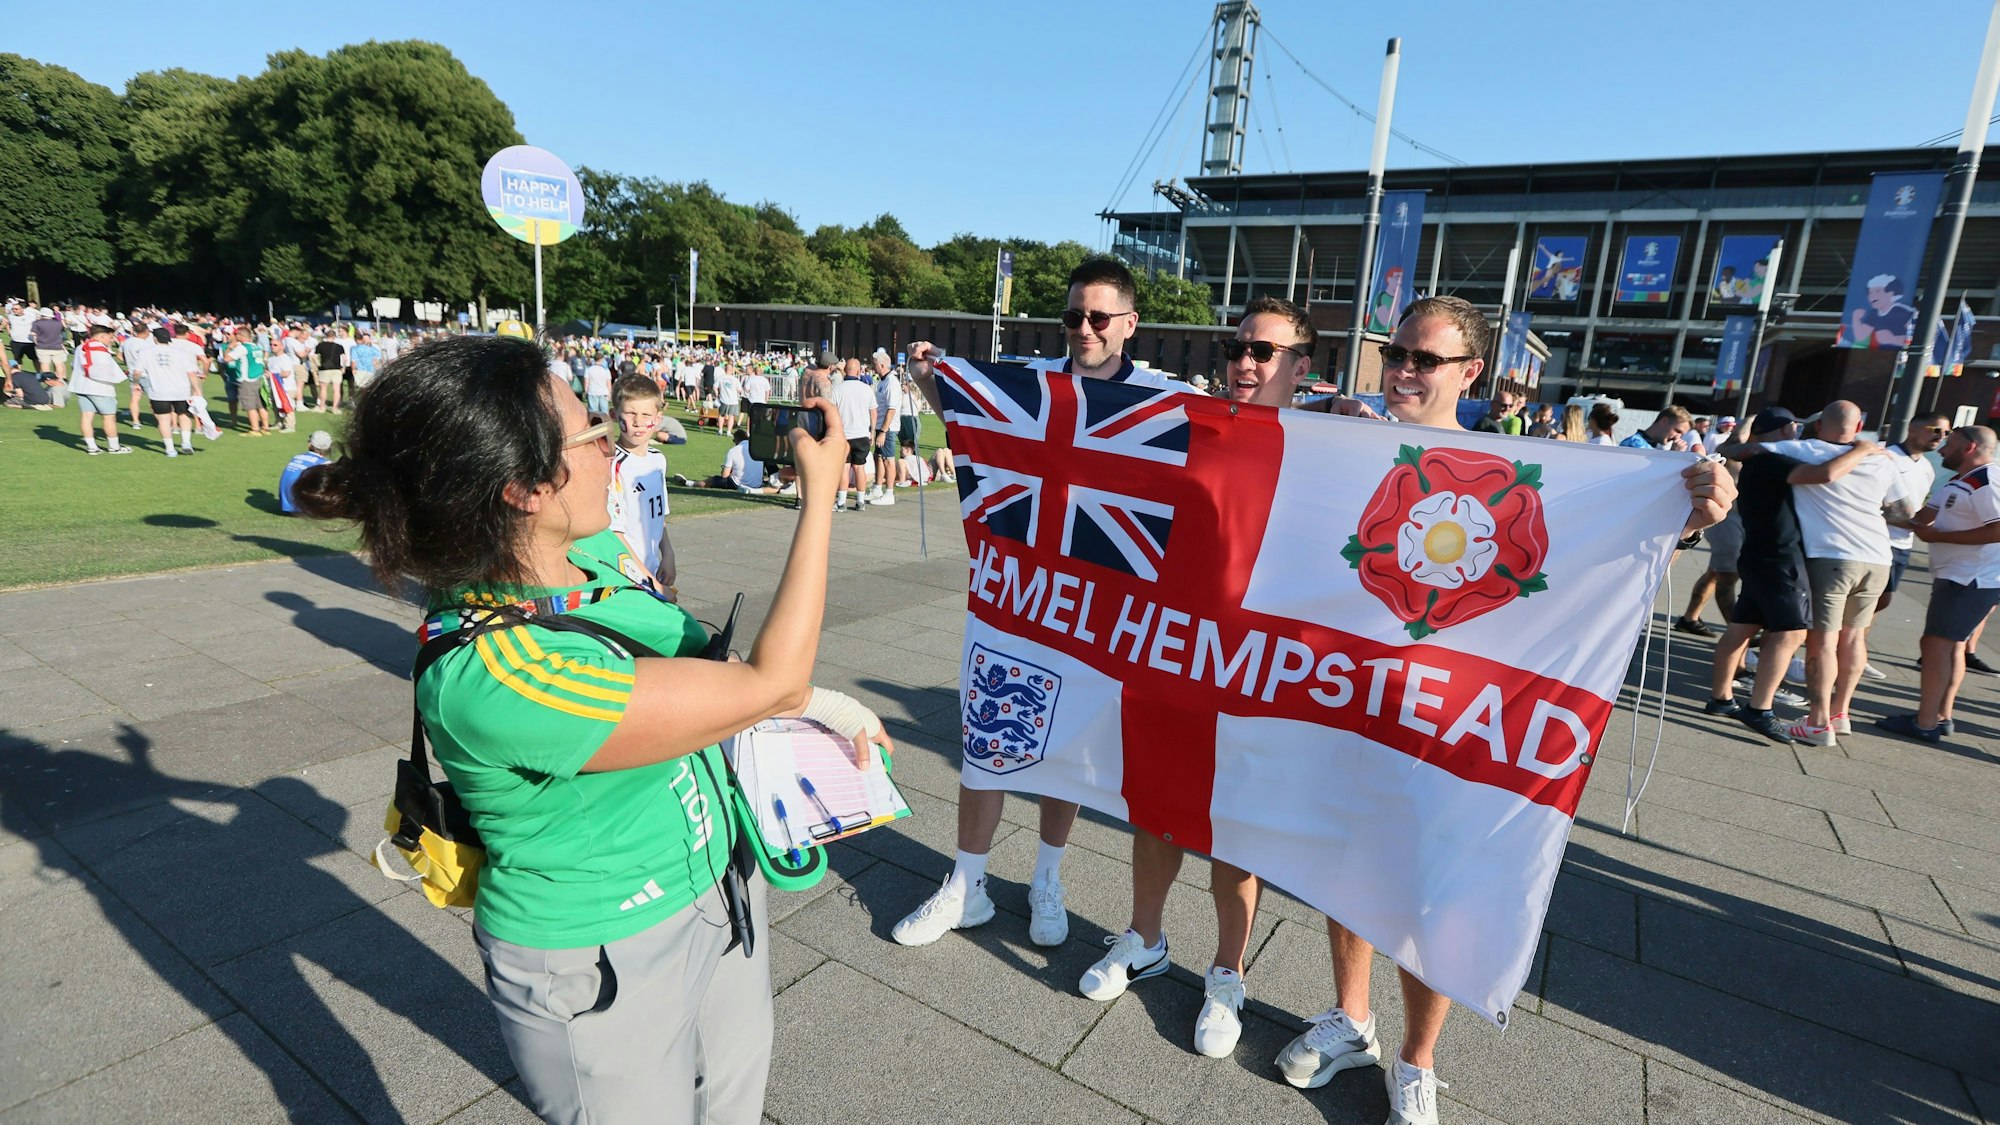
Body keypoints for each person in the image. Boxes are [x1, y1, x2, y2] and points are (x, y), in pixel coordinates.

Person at [290, 334, 885, 1124]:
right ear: (524, 489)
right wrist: (819, 500)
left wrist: (827, 711)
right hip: (602, 954)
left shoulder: (590, 552)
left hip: (717, 883)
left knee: (733, 1104)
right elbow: (765, 682)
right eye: (594, 433)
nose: (619, 443)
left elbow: (716, 676)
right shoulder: (496, 673)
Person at [1272, 295, 1733, 1125]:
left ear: (1471, 372)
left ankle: (1418, 1059)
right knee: (1345, 863)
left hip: (1449, 714)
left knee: (1430, 885)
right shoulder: (1343, 436)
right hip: (1348, 698)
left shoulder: (1512, 462)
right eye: (1396, 353)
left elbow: (1598, 541)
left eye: (1425, 359)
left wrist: (1687, 512)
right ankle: (1351, 1016)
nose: (1404, 370)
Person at [892, 258, 1207, 955]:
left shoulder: (1162, 397)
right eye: (1074, 316)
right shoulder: (1029, 382)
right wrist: (927, 377)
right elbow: (967, 417)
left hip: (1096, 608)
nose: (1084, 329)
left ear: (1129, 323)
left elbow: (1237, 449)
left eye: (1099, 317)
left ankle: (1046, 876)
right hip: (1018, 598)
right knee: (989, 736)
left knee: (1065, 747)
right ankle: (966, 884)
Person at [1728, 402, 1920, 746]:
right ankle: (1840, 714)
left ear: (1819, 426)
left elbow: (1740, 451)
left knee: (1823, 643)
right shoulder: (1881, 458)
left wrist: (1749, 427)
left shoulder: (1806, 449)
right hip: (1878, 557)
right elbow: (1905, 511)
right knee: (1855, 637)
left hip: (1831, 557)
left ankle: (1818, 723)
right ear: (1860, 427)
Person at [1882, 426, 2000, 741]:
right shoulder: (1960, 479)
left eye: (1951, 443)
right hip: (1956, 576)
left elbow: (1998, 529)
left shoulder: (1986, 480)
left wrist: (1940, 536)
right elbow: (1922, 519)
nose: (1942, 448)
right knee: (1951, 646)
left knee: (1936, 645)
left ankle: (1925, 722)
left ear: (1971, 446)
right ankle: (1939, 716)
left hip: (1970, 578)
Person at [1702, 408, 1812, 743]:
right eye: (1795, 426)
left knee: (1741, 628)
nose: (1798, 432)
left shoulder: (1757, 459)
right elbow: (1824, 474)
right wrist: (1861, 452)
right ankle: (1760, 708)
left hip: (1759, 554)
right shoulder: (1772, 460)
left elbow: (1734, 448)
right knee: (1792, 632)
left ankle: (1721, 699)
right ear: (1783, 430)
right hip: (1780, 558)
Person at [609, 373, 678, 590]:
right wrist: (650, 582)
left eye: (646, 415)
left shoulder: (658, 460)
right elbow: (614, 534)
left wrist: (668, 552)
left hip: (651, 570)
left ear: (657, 420)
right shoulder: (612, 466)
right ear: (614, 414)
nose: (638, 422)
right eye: (630, 413)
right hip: (624, 577)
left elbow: (658, 515)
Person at [68, 322, 132, 455]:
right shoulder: (100, 349)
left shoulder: (81, 347)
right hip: (99, 388)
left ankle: (92, 447)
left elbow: (74, 366)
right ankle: (114, 447)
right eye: (110, 337)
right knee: (109, 417)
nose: (111, 339)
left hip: (81, 386)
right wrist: (117, 376)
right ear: (102, 336)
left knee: (86, 416)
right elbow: (101, 371)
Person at [141, 326, 197, 456]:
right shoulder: (180, 353)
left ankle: (170, 449)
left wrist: (137, 383)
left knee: (164, 420)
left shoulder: (145, 352)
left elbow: (138, 371)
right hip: (181, 390)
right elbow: (191, 373)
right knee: (184, 415)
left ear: (155, 338)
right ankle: (186, 442)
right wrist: (196, 389)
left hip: (159, 391)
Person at [829, 358, 876, 512]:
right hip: (862, 434)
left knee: (844, 468)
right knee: (859, 468)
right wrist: (873, 431)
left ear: (845, 371)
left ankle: (841, 502)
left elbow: (831, 412)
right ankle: (860, 501)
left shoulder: (838, 389)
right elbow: (873, 411)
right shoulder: (866, 389)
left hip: (844, 435)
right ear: (858, 371)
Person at [1846, 274, 1917, 349]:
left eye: (1877, 291)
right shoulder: (1873, 313)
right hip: (1882, 355)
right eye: (1870, 292)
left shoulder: (1904, 311)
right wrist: (1856, 319)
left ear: (1891, 293)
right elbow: (1861, 336)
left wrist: (1892, 339)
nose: (1872, 296)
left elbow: (1918, 337)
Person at [224, 327, 272, 435]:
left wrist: (230, 348)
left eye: (237, 335)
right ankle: (265, 427)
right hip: (258, 378)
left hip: (247, 380)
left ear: (241, 336)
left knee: (250, 406)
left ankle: (255, 429)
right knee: (260, 405)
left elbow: (227, 359)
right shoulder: (256, 347)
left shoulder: (243, 348)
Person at [279, 430, 334, 511]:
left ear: (309, 444)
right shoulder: (324, 464)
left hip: (285, 505)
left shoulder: (296, 457)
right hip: (302, 508)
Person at [1620, 406, 1693, 450]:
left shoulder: (1656, 446)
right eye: (1677, 431)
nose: (1678, 437)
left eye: (1681, 435)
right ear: (1664, 421)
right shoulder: (1633, 444)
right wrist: (1673, 455)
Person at [312, 330, 347, 412]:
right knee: (336, 389)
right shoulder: (339, 346)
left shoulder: (320, 345)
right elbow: (344, 359)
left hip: (324, 369)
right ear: (334, 337)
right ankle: (335, 408)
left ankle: (322, 407)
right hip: (337, 369)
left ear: (326, 336)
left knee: (323, 389)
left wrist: (318, 365)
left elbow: (314, 357)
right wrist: (343, 368)